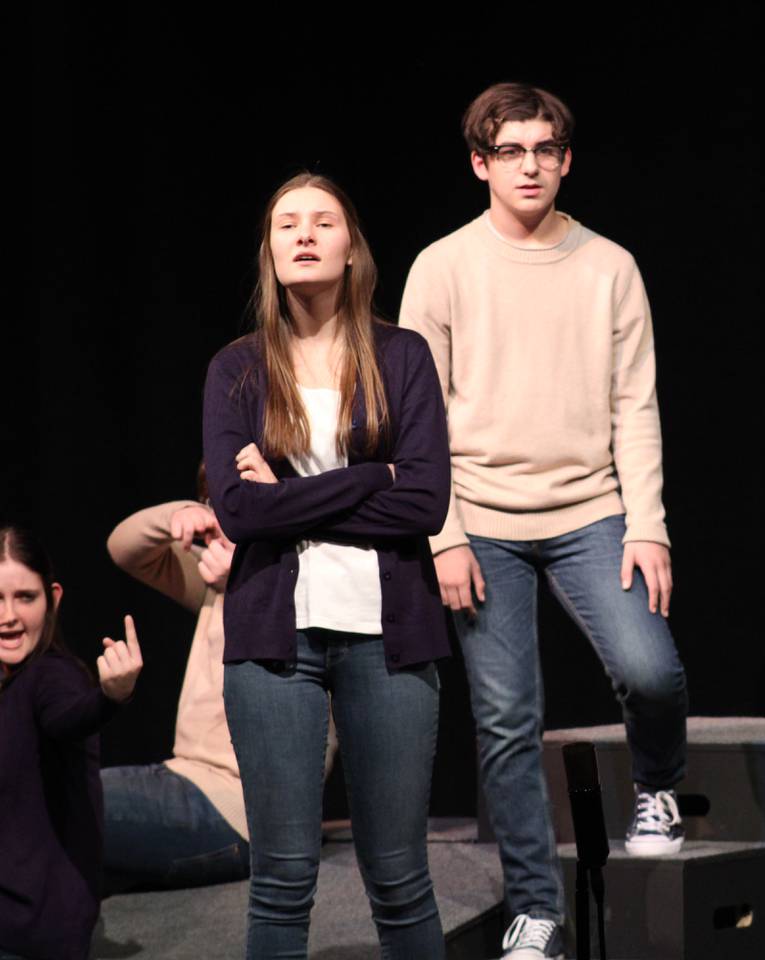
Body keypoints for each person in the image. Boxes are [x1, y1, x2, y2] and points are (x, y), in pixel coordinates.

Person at [400, 81, 689, 959]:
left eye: (546, 150)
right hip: (480, 518)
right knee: (505, 720)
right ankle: (536, 907)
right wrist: (442, 535)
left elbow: (635, 404)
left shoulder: (610, 266)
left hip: (592, 509)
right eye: (511, 151)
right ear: (481, 163)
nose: (530, 165)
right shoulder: (442, 265)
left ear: (565, 160)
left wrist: (650, 524)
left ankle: (660, 785)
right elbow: (420, 417)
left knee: (652, 671)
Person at [201, 172, 452, 957]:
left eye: (323, 222)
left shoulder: (402, 356)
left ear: (352, 248)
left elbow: (427, 504)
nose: (304, 235)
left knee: (401, 877)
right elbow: (240, 515)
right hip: (276, 644)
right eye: (286, 225)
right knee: (280, 879)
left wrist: (293, 494)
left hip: (392, 637)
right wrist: (372, 476)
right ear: (270, 251)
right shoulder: (235, 369)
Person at [102, 485, 337, 893]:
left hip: (242, 812)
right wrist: (181, 512)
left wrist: (252, 579)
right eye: (216, 503)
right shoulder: (217, 578)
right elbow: (123, 547)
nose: (224, 517)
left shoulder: (317, 580)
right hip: (184, 778)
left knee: (49, 802)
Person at [0, 525, 143, 960]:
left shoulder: (52, 676)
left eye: (25, 597)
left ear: (53, 598)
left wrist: (110, 697)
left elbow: (71, 716)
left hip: (35, 933)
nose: (7, 615)